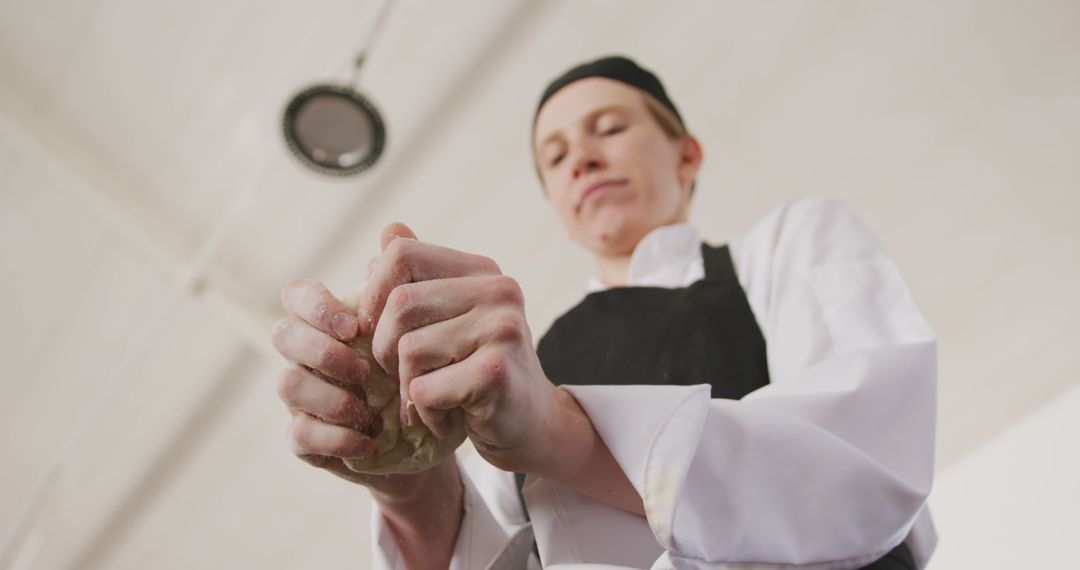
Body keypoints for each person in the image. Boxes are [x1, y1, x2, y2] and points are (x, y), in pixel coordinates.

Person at [271, 55, 938, 569]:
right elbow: (488, 554)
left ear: (687, 154)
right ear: (560, 208)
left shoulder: (787, 245)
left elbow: (863, 464)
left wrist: (564, 433)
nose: (582, 158)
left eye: (610, 129)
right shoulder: (523, 363)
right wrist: (411, 488)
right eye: (555, 158)